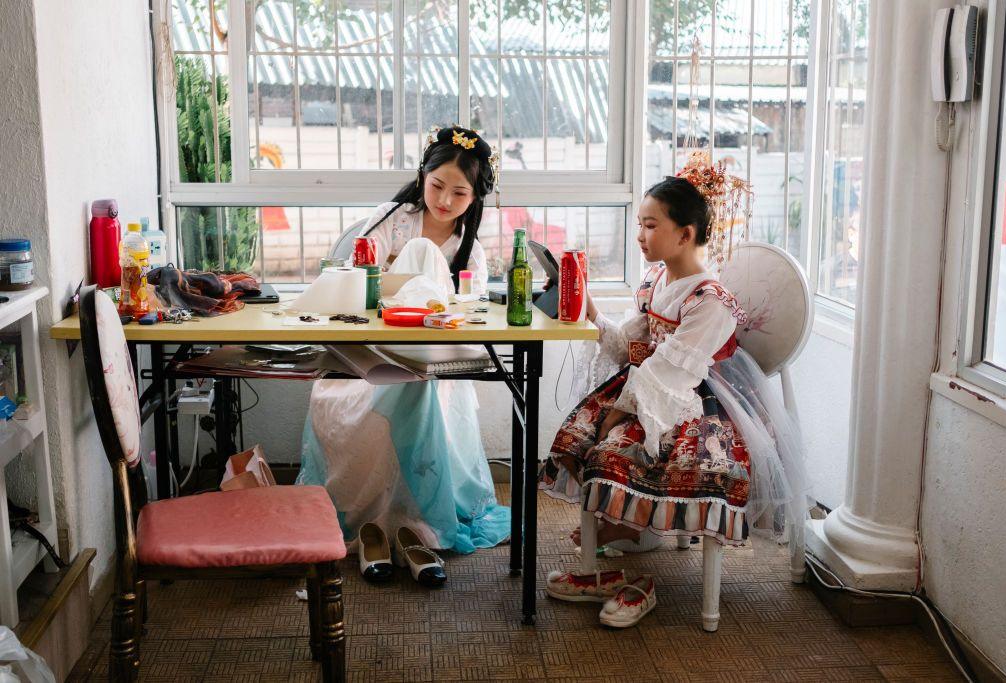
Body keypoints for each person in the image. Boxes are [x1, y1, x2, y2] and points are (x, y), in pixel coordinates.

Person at [540, 155, 806, 627]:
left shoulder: (711, 300)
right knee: (580, 437)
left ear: (685, 234)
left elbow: (674, 368)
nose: (640, 236)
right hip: (649, 381)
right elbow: (631, 346)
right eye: (640, 225)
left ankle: (631, 532)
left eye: (649, 226)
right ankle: (622, 530)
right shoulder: (657, 278)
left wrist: (622, 411)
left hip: (701, 397)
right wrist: (593, 311)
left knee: (620, 447)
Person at [297, 126, 510, 586]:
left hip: (434, 361)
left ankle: (410, 525)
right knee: (419, 253)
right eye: (437, 186)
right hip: (371, 353)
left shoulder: (470, 249)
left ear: (475, 198)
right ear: (422, 176)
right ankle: (391, 525)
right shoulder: (391, 219)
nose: (445, 201)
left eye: (459, 193)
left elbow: (472, 317)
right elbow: (350, 280)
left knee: (422, 386)